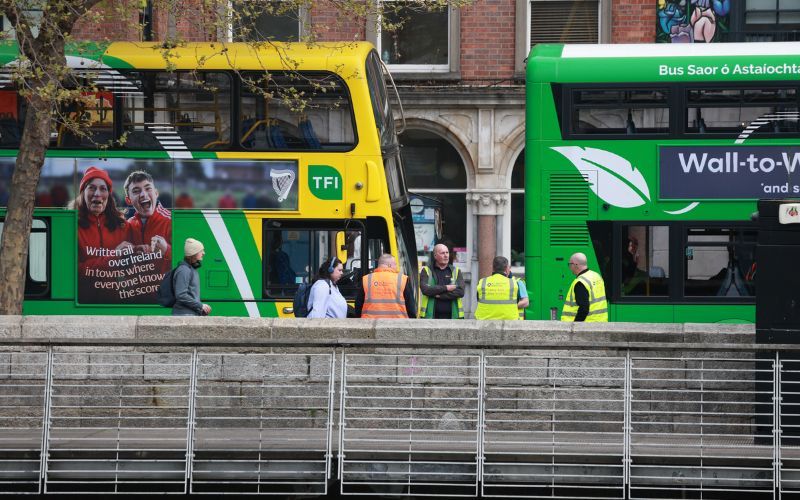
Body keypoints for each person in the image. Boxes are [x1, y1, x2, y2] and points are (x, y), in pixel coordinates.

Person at [76, 166, 134, 303]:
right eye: (91, 188)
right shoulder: (72, 226)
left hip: (113, 305)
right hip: (81, 306)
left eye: (103, 189)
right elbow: (74, 271)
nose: (97, 194)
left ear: (109, 194)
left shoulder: (123, 226)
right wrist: (113, 256)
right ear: (83, 193)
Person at [124, 170, 171, 273]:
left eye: (148, 188)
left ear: (156, 193)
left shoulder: (171, 221)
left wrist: (167, 250)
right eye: (136, 191)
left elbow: (189, 258)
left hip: (165, 283)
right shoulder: (129, 225)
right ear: (129, 200)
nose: (143, 194)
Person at [354, 253, 416, 319]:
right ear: (389, 265)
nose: (396, 267)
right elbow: (410, 307)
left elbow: (358, 304)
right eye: (395, 264)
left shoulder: (366, 279)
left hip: (370, 322)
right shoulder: (402, 279)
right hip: (397, 322)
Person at [475, 256, 529, 320]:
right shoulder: (515, 283)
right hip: (511, 321)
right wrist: (508, 307)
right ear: (507, 269)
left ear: (493, 268)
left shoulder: (483, 282)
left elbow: (479, 300)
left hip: (484, 321)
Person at [419, 243, 464, 319]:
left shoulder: (456, 271)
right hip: (431, 317)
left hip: (452, 317)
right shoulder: (426, 271)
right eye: (442, 253)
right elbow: (426, 290)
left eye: (447, 252)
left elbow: (460, 292)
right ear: (435, 256)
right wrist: (446, 288)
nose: (446, 255)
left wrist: (440, 295)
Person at [562, 252, 608, 322]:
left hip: (587, 325)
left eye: (570, 264)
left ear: (576, 265)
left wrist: (575, 325)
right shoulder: (596, 276)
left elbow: (584, 308)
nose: (570, 267)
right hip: (600, 323)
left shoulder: (580, 282)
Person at [172, 238, 212, 316]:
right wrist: (200, 305)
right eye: (201, 251)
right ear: (193, 253)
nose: (203, 253)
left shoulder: (191, 269)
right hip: (184, 315)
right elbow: (181, 295)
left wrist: (200, 309)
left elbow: (191, 295)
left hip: (190, 314)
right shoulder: (184, 270)